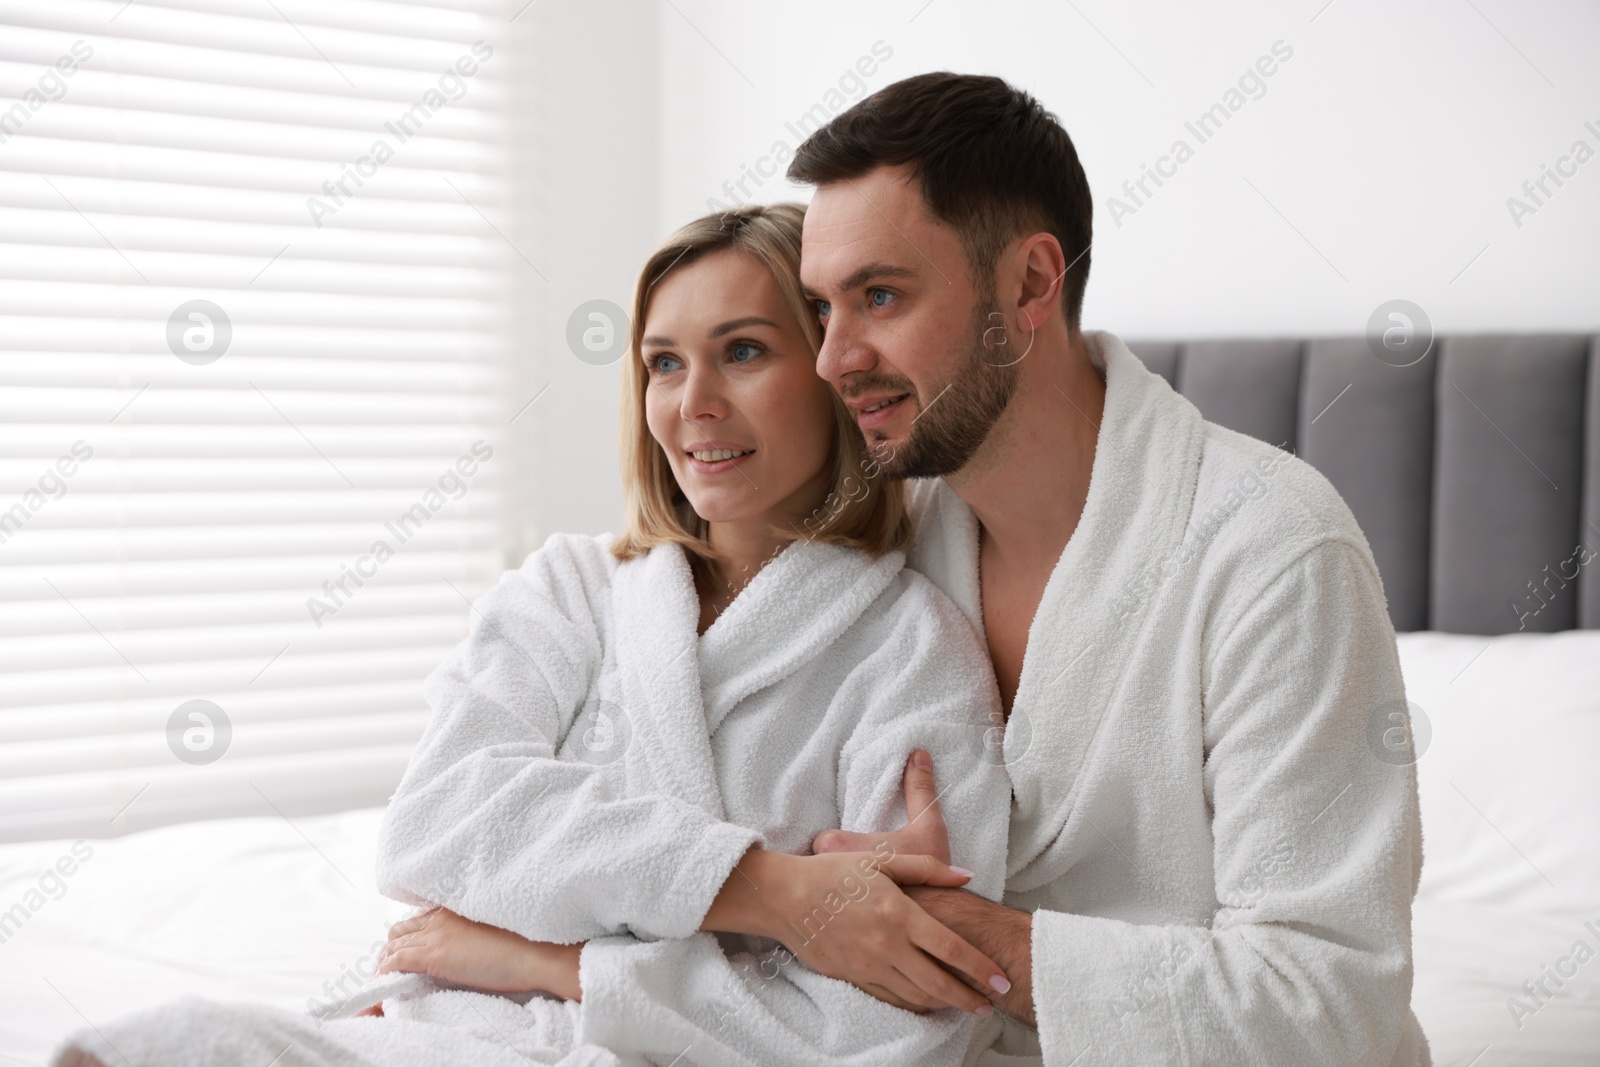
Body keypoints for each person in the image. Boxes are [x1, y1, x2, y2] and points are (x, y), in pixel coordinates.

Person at [53, 205, 1012, 1067]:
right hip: (454, 1031)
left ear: (834, 369)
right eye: (664, 362)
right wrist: (771, 891)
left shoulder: (913, 652)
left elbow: (884, 1030)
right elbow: (440, 820)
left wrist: (547, 960)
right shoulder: (571, 589)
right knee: (166, 1043)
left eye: (746, 351)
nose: (694, 403)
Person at [771, 73, 1433, 1066]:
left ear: (1032, 284)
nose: (831, 358)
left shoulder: (1271, 548)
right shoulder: (878, 542)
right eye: (822, 306)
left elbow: (1325, 1006)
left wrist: (945, 933)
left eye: (878, 295)